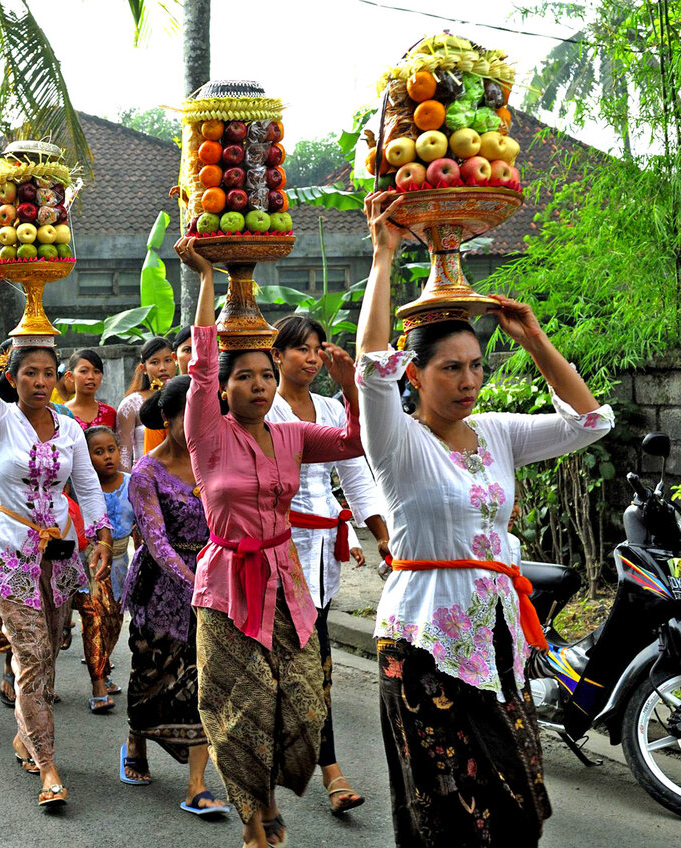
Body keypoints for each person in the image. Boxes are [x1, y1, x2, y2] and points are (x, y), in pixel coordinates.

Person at [358, 192, 614, 846]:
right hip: (423, 642)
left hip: (498, 641)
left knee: (516, 805)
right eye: (450, 368)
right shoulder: (396, 442)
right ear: (413, 374)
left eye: (476, 365)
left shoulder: (497, 432)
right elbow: (368, 368)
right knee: (442, 812)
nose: (468, 379)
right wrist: (384, 257)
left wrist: (533, 339)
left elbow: (591, 422)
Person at [176, 236, 364, 848]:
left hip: (289, 582)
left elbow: (355, 444)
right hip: (229, 584)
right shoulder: (208, 434)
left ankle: (269, 795)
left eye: (266, 377)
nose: (259, 387)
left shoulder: (291, 435)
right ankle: (255, 820)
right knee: (239, 709)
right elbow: (203, 361)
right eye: (246, 378)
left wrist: (353, 387)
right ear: (224, 390)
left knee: (307, 702)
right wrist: (207, 279)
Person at [0, 260, 112, 808]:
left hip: (61, 553)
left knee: (51, 653)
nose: (42, 381)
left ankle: (27, 733)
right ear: (13, 376)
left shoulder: (71, 427)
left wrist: (98, 538)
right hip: (8, 550)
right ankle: (49, 766)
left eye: (50, 373)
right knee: (31, 653)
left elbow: (90, 486)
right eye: (31, 373)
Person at [267, 313, 390, 815]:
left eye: (319, 348)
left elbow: (357, 477)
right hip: (272, 551)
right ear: (276, 355)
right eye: (301, 348)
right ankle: (319, 770)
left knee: (317, 667)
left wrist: (383, 536)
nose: (313, 357)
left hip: (321, 557)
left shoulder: (331, 408)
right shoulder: (262, 406)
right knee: (285, 668)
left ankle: (325, 766)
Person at [120, 376, 227, 817]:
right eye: (191, 416)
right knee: (151, 675)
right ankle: (135, 738)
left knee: (203, 680)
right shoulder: (147, 471)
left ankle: (197, 784)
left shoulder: (221, 464)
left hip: (215, 585)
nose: (202, 426)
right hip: (161, 589)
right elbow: (157, 542)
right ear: (167, 418)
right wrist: (194, 583)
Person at [76, 425, 130, 714]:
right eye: (98, 452)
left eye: (112, 449)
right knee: (95, 618)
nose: (108, 456)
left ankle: (104, 669)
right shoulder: (80, 486)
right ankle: (97, 683)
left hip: (121, 565)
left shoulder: (132, 484)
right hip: (89, 563)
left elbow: (143, 525)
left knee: (113, 621)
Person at [117, 337, 175, 471]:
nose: (162, 368)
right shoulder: (131, 404)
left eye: (168, 360)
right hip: (145, 476)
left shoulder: (185, 396)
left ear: (175, 360)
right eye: (154, 362)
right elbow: (124, 456)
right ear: (143, 368)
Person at [64, 350, 117, 431]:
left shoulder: (110, 414)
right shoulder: (60, 413)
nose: (91, 377)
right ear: (70, 376)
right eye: (84, 371)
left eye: (96, 371)